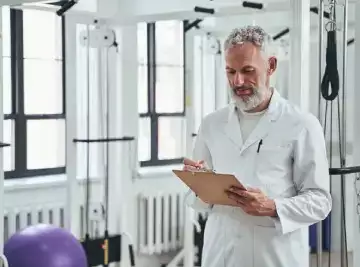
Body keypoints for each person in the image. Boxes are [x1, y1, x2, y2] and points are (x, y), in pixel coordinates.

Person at [183, 25, 332, 267]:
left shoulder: (301, 124)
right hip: (221, 253)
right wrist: (200, 185)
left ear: (271, 66)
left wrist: (273, 206)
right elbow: (197, 199)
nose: (237, 81)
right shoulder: (212, 124)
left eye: (247, 70)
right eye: (230, 71)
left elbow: (320, 201)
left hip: (274, 255)